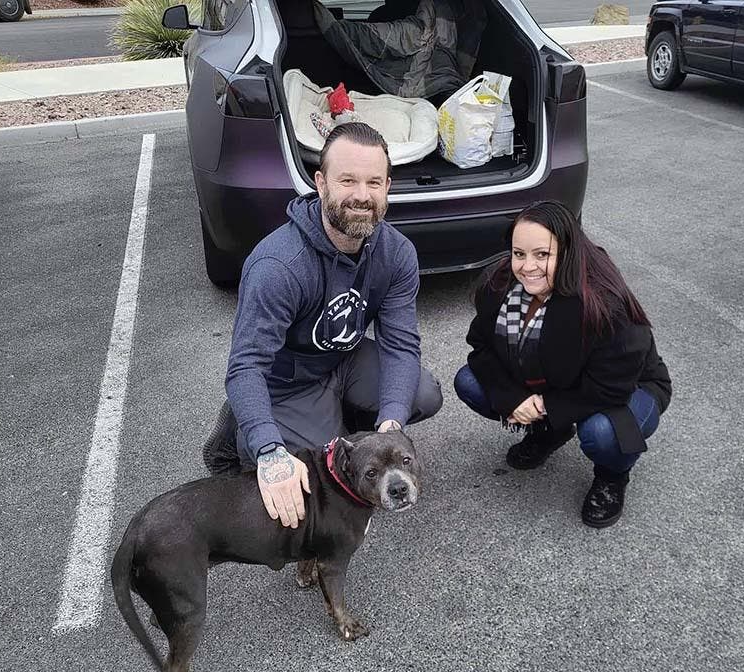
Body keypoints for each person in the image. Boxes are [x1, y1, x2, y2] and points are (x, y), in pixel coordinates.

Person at [203, 122, 443, 530]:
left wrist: (389, 430)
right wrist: (268, 449)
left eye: (373, 182)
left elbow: (401, 347)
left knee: (422, 393)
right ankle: (243, 428)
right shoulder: (278, 266)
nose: (362, 196)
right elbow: (246, 367)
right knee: (305, 482)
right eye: (347, 180)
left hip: (342, 361)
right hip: (287, 382)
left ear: (388, 186)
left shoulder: (396, 253)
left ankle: (335, 425)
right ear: (320, 182)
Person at [453, 200, 671, 528]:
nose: (527, 267)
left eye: (543, 254)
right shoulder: (499, 284)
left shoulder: (604, 304)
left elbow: (610, 386)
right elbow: (480, 346)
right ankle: (548, 434)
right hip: (556, 381)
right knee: (469, 382)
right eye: (519, 253)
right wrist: (515, 399)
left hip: (626, 389)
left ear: (568, 252)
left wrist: (546, 407)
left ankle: (612, 476)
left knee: (601, 432)